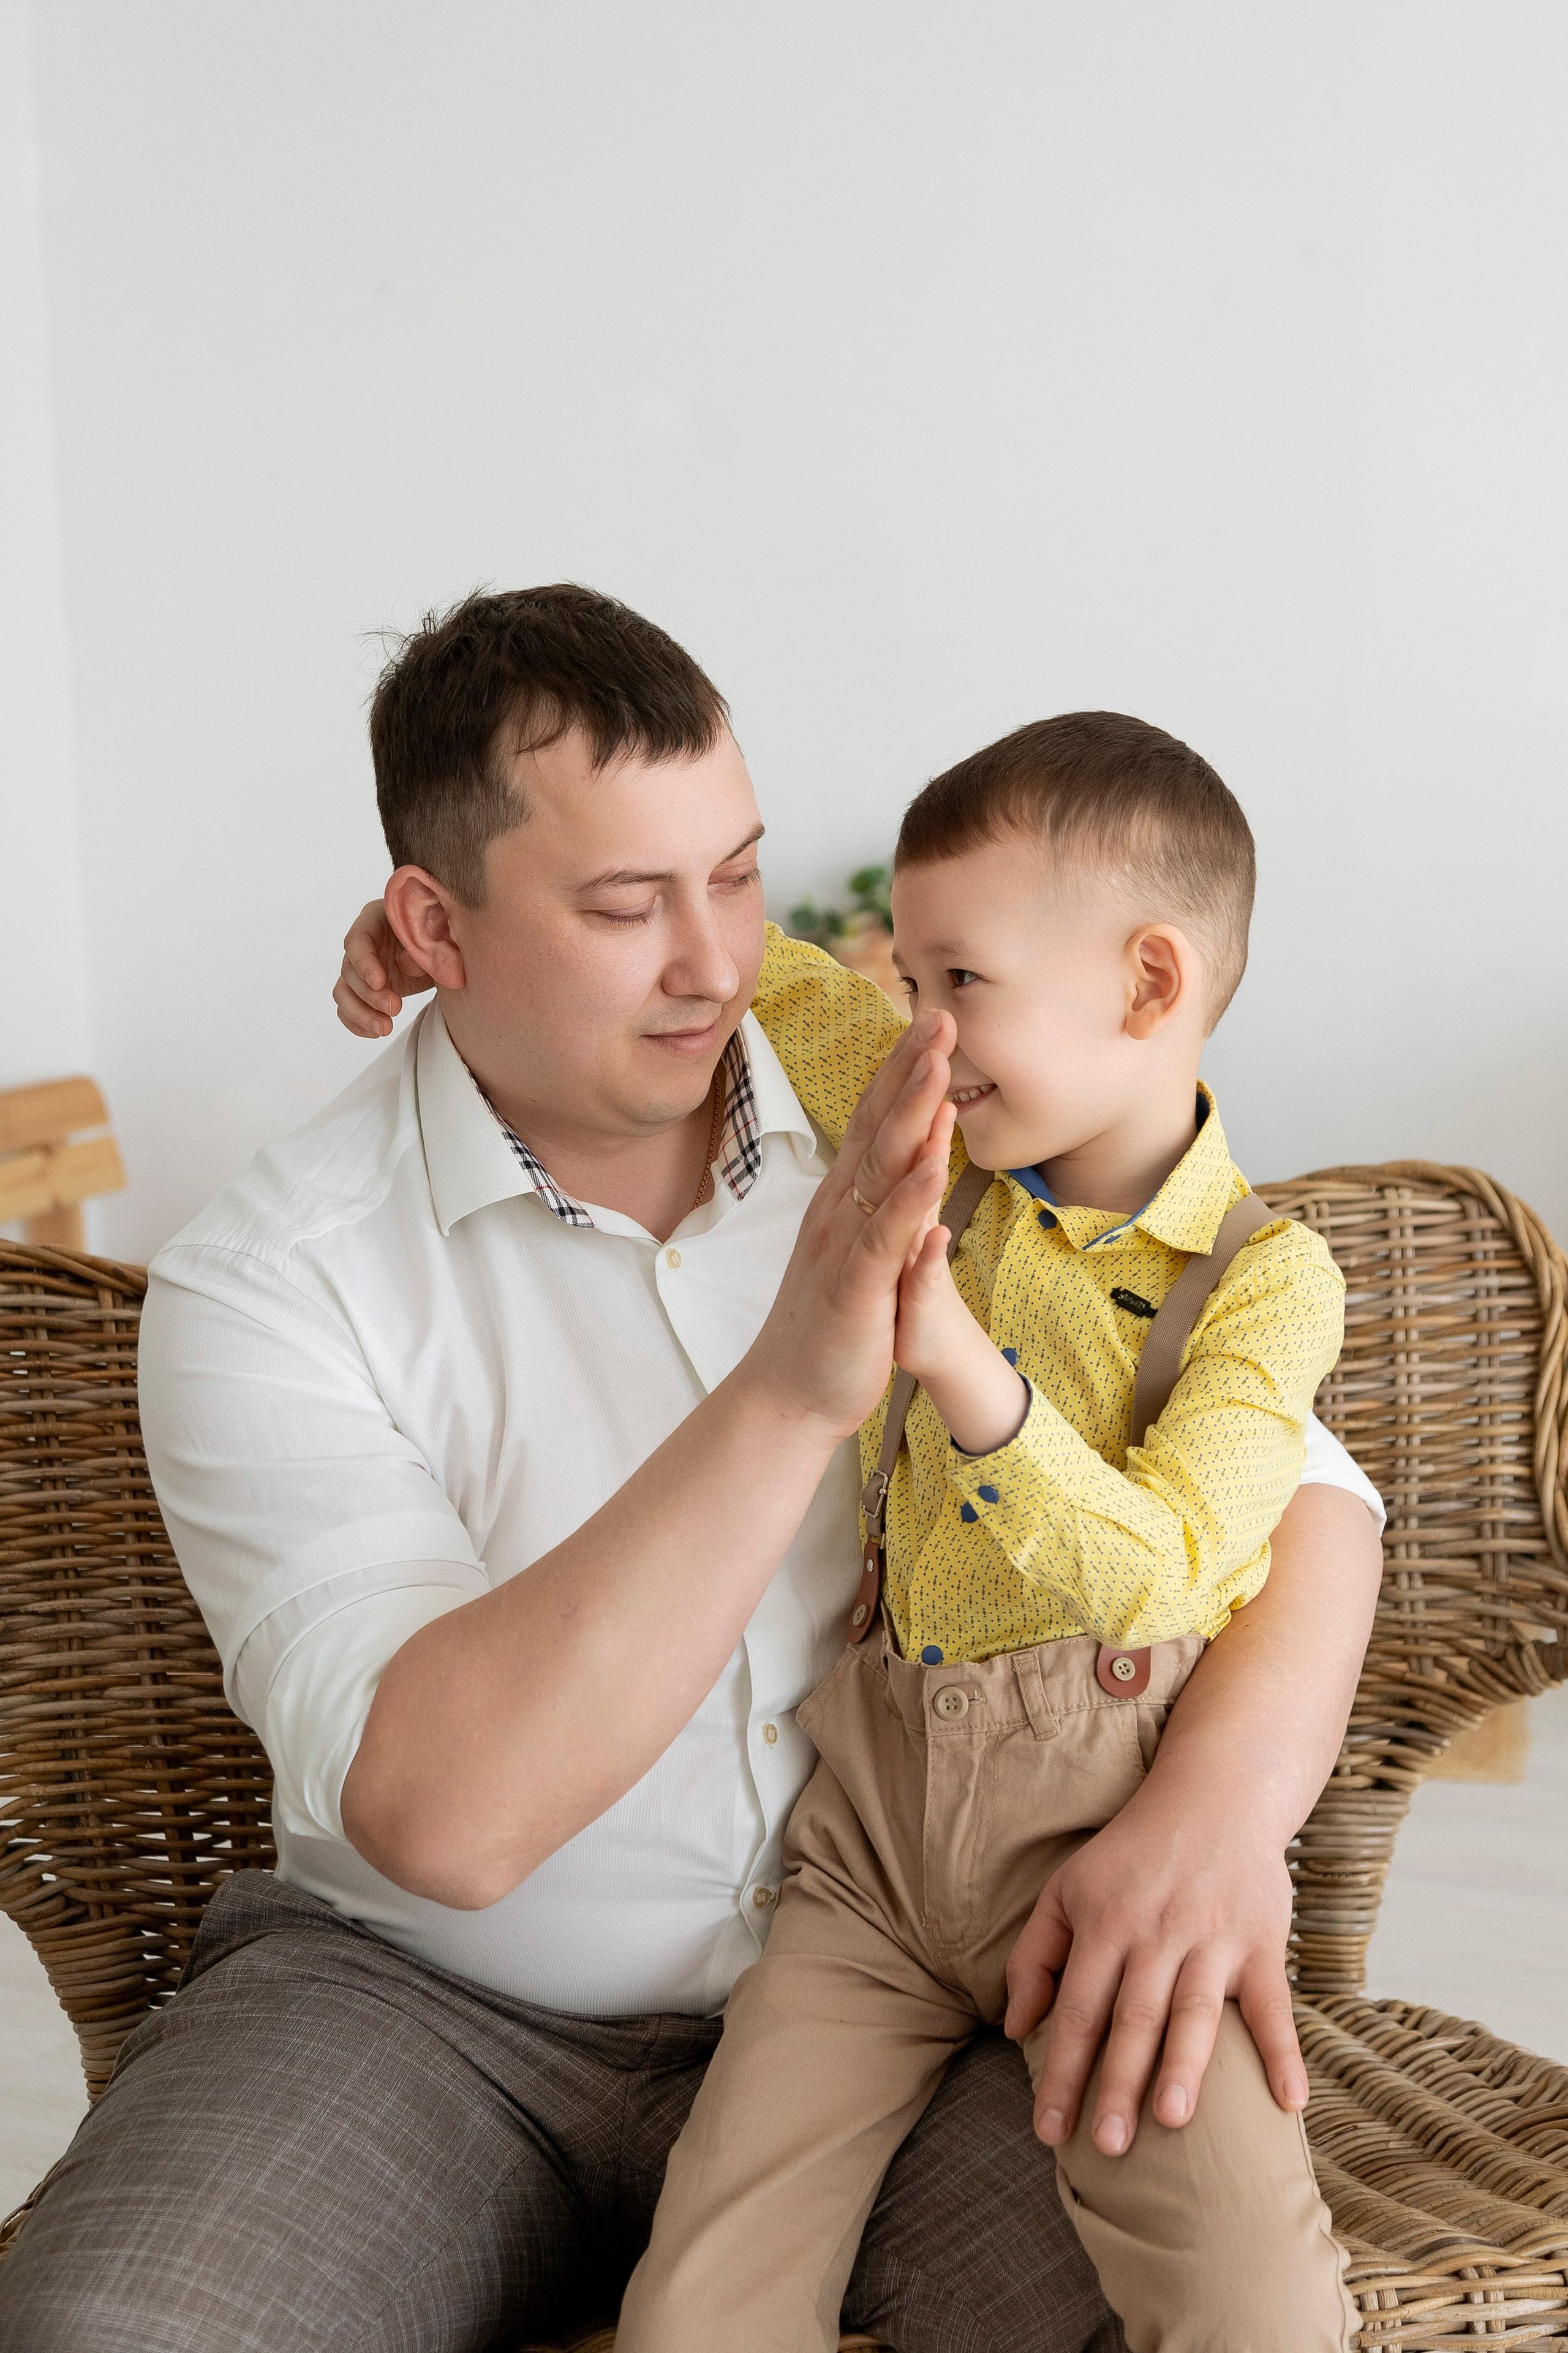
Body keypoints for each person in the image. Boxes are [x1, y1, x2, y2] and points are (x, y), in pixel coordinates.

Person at [0, 587, 1382, 2353]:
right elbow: (445, 1825)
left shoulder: (926, 1117)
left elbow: (1301, 1497)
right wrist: (795, 1389)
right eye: (621, 905)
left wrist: (1221, 1811)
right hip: (424, 2013)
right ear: (432, 923)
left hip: (933, 1980)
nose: (715, 964)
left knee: (1213, 2298)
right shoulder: (273, 1277)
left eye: (734, 876)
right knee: (116, 2332)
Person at [616, 714, 1357, 2353]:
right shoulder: (937, 1141)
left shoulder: (1267, 1282)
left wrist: (961, 1367)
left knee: (1253, 2298)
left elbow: (1172, 1567)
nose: (923, 1033)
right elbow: (773, 981)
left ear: (1150, 984)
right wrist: (444, 926)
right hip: (866, 1863)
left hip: (1107, 1857)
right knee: (702, 2294)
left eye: (961, 981)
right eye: (912, 981)